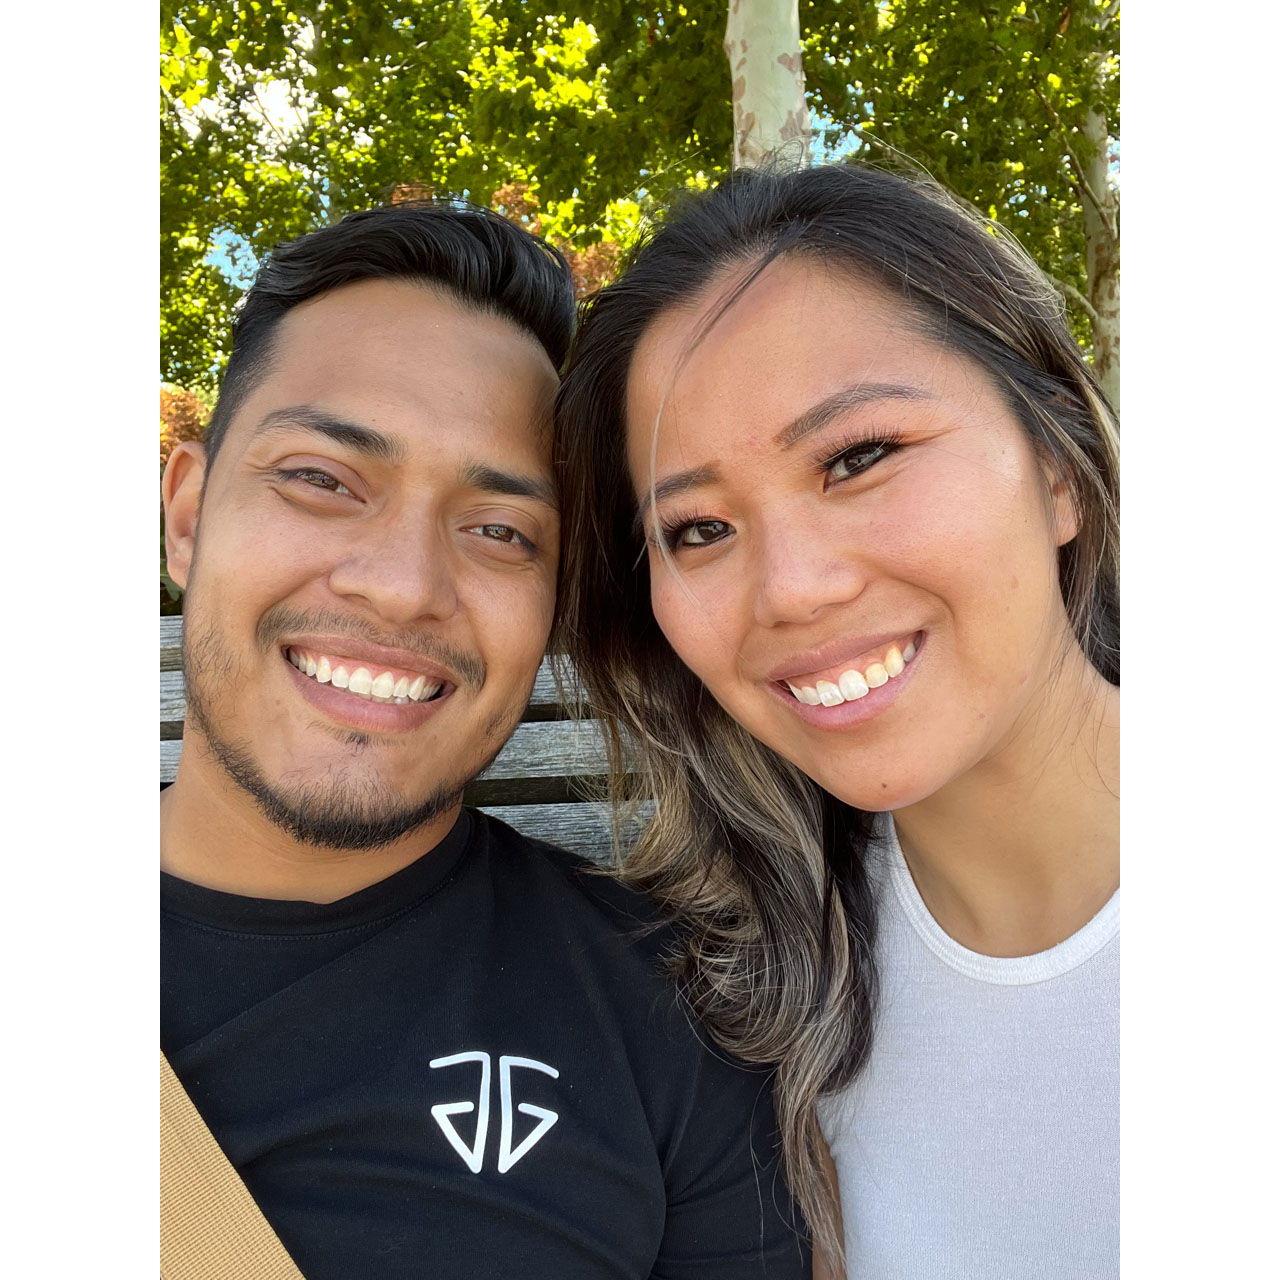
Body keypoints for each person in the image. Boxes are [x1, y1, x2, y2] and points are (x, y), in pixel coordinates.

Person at [160, 201, 809, 1280]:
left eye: (501, 531)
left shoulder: (674, 1013)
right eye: (321, 479)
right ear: (186, 515)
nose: (402, 586)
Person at [554, 164, 1119, 1279]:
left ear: (1055, 466)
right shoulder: (750, 994)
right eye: (698, 529)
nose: (792, 590)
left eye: (858, 459)